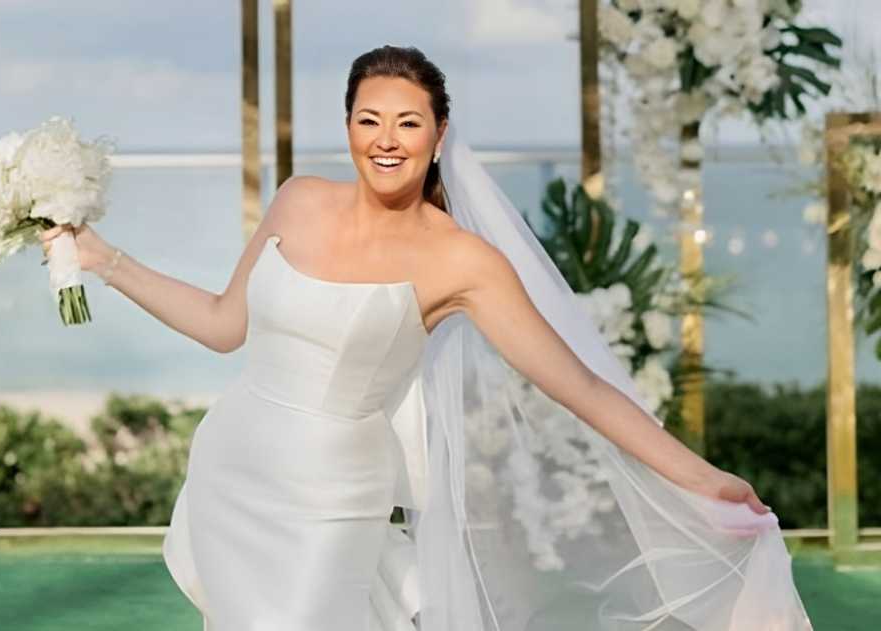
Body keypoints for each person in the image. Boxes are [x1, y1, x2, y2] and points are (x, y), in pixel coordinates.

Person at [40, 45, 810, 631]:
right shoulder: (298, 200)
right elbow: (219, 323)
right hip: (232, 470)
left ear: (438, 134)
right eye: (369, 119)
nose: (386, 139)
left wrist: (700, 475)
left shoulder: (462, 259)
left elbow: (580, 386)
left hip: (333, 496)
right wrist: (104, 259)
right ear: (347, 126)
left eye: (408, 122)